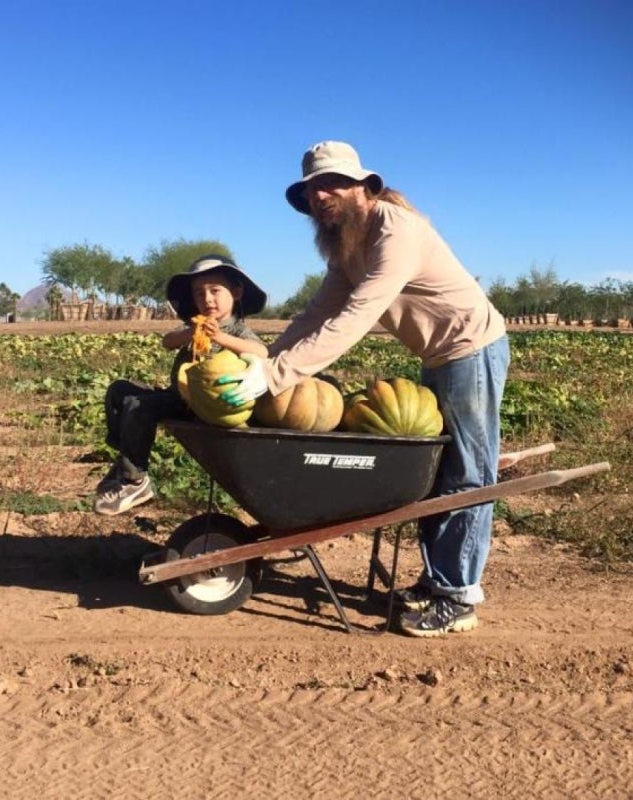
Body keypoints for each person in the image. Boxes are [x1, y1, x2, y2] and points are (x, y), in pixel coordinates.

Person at [215, 141, 510, 637]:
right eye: (312, 189)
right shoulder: (344, 246)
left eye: (332, 184)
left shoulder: (397, 231)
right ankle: (438, 580)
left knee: (468, 476)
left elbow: (357, 315)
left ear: (363, 187)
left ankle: (458, 597)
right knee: (439, 476)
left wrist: (276, 376)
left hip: (471, 349)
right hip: (439, 356)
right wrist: (263, 360)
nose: (321, 195)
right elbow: (316, 313)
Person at [94, 255, 268, 515]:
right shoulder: (193, 324)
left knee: (138, 405)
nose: (207, 299)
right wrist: (192, 332)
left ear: (237, 292)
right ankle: (126, 462)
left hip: (202, 404)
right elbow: (168, 341)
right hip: (179, 394)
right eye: (199, 293)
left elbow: (261, 352)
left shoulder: (237, 331)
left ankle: (135, 481)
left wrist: (219, 336)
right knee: (119, 391)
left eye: (215, 291)